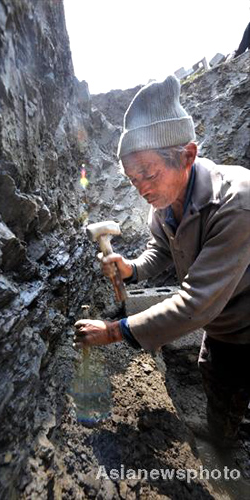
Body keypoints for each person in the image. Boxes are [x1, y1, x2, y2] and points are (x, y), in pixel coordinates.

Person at [74, 75, 250, 444]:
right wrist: (132, 268)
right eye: (133, 180)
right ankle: (226, 426)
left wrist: (113, 331)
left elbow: (196, 303)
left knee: (232, 377)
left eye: (148, 174)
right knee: (213, 371)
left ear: (187, 155)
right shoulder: (165, 201)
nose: (143, 189)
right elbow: (163, 251)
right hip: (222, 322)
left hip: (243, 325)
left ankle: (227, 442)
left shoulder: (237, 201)